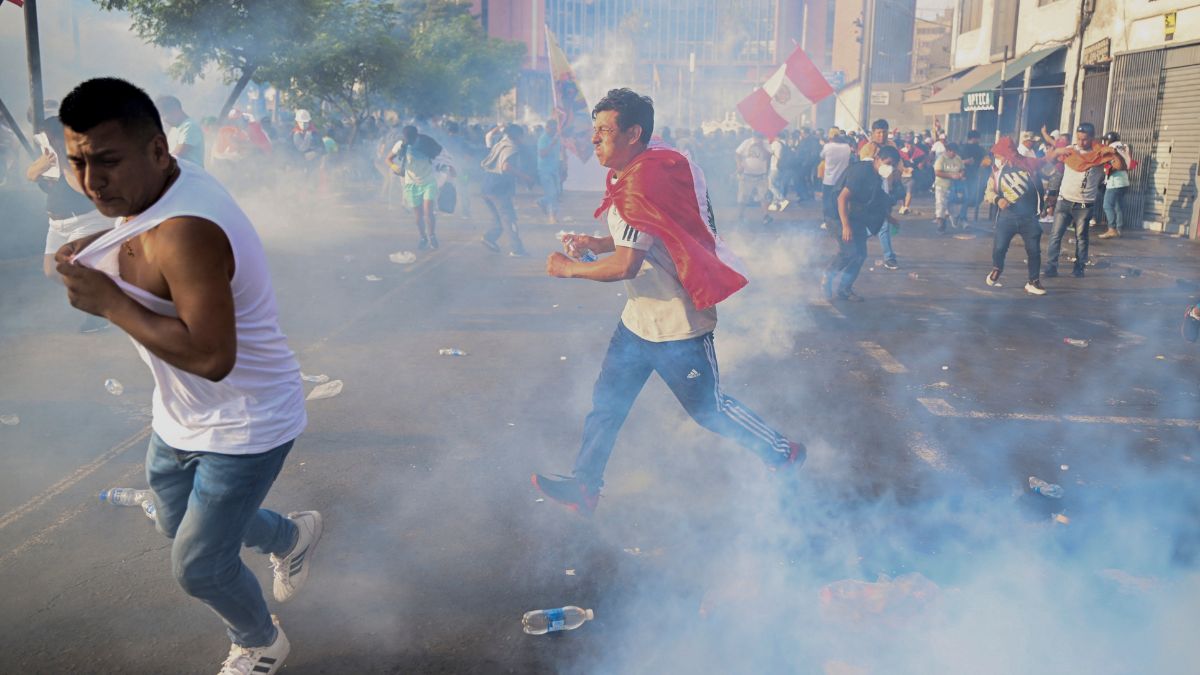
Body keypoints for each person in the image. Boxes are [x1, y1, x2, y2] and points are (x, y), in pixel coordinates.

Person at [55, 78, 320, 675]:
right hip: (179, 416)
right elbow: (138, 224)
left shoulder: (187, 233)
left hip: (247, 420)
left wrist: (108, 302)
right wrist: (98, 240)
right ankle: (288, 536)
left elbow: (211, 358)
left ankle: (259, 641)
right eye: (78, 162)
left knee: (198, 565)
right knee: (176, 524)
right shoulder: (167, 183)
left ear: (157, 149)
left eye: (107, 162)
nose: (93, 183)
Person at [532, 89, 804, 514]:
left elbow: (626, 266)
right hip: (638, 320)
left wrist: (568, 267)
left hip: (678, 327)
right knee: (607, 403)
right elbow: (640, 240)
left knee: (709, 410)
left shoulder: (643, 185)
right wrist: (598, 243)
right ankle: (585, 485)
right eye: (594, 130)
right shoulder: (640, 175)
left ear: (633, 133)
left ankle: (782, 452)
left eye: (604, 131)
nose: (594, 139)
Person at [27, 115, 114, 332]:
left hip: (85, 221)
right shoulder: (48, 157)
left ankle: (98, 312)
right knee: (51, 271)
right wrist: (43, 166)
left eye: (50, 138)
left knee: (75, 268)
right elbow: (29, 175)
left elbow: (82, 189)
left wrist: (64, 163)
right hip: (56, 225)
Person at [821, 145, 902, 302]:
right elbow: (842, 198)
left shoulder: (878, 177)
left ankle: (844, 289)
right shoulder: (862, 172)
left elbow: (877, 200)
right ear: (877, 158)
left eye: (893, 164)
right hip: (837, 215)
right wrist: (845, 225)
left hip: (855, 216)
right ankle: (828, 276)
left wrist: (889, 218)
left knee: (860, 255)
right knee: (849, 251)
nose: (890, 167)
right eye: (888, 162)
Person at [1044, 122, 1114, 278]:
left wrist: (1113, 152)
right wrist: (1057, 151)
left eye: (1085, 139)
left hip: (1084, 204)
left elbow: (1120, 164)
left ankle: (1079, 268)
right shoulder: (1070, 151)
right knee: (1055, 235)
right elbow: (1047, 160)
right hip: (1064, 200)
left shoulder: (1099, 155)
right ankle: (1051, 267)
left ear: (1092, 138)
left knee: (1081, 237)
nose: (1081, 142)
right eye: (1079, 138)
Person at [983, 137, 1047, 295]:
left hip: (1029, 217)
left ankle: (1033, 282)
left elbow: (1042, 181)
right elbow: (988, 192)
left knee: (1033, 250)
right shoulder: (997, 173)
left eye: (998, 155)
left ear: (1007, 154)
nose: (996, 159)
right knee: (999, 247)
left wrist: (1045, 204)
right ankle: (997, 268)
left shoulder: (1028, 167)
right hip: (1007, 217)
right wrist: (998, 199)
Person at [388, 125, 443, 250]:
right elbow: (388, 158)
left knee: (428, 212)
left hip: (428, 181)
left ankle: (432, 235)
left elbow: (439, 154)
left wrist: (445, 167)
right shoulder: (401, 145)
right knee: (418, 217)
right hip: (411, 184)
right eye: (407, 139)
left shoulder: (426, 142)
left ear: (416, 136)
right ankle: (423, 237)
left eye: (411, 138)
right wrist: (394, 167)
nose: (409, 141)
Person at [479, 123, 529, 256]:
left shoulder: (501, 143)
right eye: (522, 136)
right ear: (517, 136)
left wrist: (499, 127)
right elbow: (506, 166)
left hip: (486, 186)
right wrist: (524, 177)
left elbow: (489, 136)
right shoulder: (512, 148)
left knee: (498, 218)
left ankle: (489, 238)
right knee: (509, 218)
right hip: (498, 187)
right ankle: (517, 249)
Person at [1098, 131, 1131, 239]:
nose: (1105, 142)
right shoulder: (1124, 146)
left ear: (1110, 139)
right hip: (1125, 181)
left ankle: (1112, 229)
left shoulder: (1111, 147)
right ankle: (1119, 229)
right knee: (1118, 206)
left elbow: (1110, 163)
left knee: (1107, 205)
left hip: (1115, 181)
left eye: (1106, 140)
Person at [155, 95, 205, 168]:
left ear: (175, 110)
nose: (164, 120)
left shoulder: (190, 126)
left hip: (191, 176)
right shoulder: (174, 129)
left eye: (164, 115)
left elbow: (178, 154)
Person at [734, 131, 771, 224]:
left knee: (763, 197)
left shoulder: (766, 144)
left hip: (761, 175)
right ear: (753, 136)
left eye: (759, 137)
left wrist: (761, 146)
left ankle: (766, 216)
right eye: (756, 137)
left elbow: (768, 156)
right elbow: (737, 153)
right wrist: (739, 165)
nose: (757, 139)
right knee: (743, 197)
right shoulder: (747, 142)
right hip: (747, 175)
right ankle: (740, 216)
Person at [820, 134, 853, 230]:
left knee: (827, 201)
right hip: (842, 179)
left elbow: (821, 155)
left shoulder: (828, 146)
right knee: (841, 201)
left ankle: (827, 222)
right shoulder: (847, 147)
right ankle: (840, 220)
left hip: (829, 179)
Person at [536, 119, 565, 224]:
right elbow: (542, 154)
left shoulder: (557, 138)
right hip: (545, 170)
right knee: (552, 193)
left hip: (554, 169)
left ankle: (542, 201)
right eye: (552, 128)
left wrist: (563, 166)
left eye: (555, 128)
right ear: (547, 128)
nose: (554, 131)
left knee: (556, 193)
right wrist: (552, 144)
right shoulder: (543, 139)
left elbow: (560, 153)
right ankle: (552, 216)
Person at [956, 130, 986, 226]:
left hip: (975, 176)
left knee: (972, 197)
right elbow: (955, 162)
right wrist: (965, 162)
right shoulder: (962, 148)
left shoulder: (980, 149)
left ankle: (960, 215)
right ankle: (962, 217)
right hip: (962, 176)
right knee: (965, 197)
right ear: (972, 138)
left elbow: (985, 160)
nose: (978, 140)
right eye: (977, 138)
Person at [932, 143, 964, 233]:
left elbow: (962, 168)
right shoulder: (941, 159)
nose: (953, 154)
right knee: (940, 205)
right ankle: (940, 225)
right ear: (948, 151)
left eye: (955, 152)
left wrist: (961, 174)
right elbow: (937, 172)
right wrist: (951, 176)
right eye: (952, 152)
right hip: (941, 186)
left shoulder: (958, 158)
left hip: (954, 187)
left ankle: (952, 218)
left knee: (953, 207)